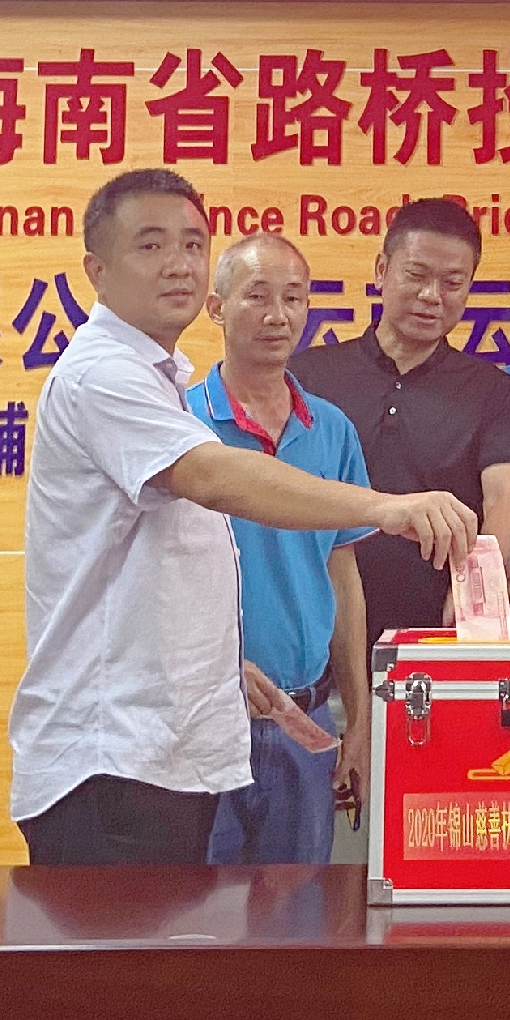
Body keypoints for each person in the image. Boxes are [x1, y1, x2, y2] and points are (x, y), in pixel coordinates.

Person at [9, 168, 476, 866]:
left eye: (193, 244)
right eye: (150, 245)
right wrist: (386, 505)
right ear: (96, 270)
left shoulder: (161, 381)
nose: (178, 264)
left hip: (179, 744)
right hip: (112, 761)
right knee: (137, 939)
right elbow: (211, 476)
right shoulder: (102, 376)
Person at [186, 232, 375, 865]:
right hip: (202, 721)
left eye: (293, 298)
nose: (277, 315)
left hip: (306, 718)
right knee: (196, 913)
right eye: (257, 296)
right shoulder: (180, 424)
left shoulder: (332, 428)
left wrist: (358, 718)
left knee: (301, 915)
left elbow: (342, 573)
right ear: (216, 308)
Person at [291, 197, 510, 634]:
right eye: (416, 275)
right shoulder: (309, 375)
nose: (431, 296)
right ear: (381, 271)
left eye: (452, 283)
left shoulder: (489, 389)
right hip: (314, 624)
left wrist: (477, 582)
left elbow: (504, 498)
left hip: (435, 633)